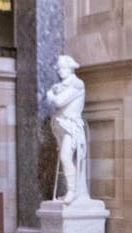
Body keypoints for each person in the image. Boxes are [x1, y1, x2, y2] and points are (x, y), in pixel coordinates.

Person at [46, 55, 89, 203]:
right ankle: (70, 191)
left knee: (65, 157)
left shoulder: (77, 84)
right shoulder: (61, 85)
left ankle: (72, 191)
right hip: (60, 126)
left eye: (63, 68)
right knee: (66, 159)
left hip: (71, 127)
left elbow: (59, 101)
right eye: (59, 68)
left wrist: (51, 94)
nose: (60, 71)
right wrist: (53, 93)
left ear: (70, 68)